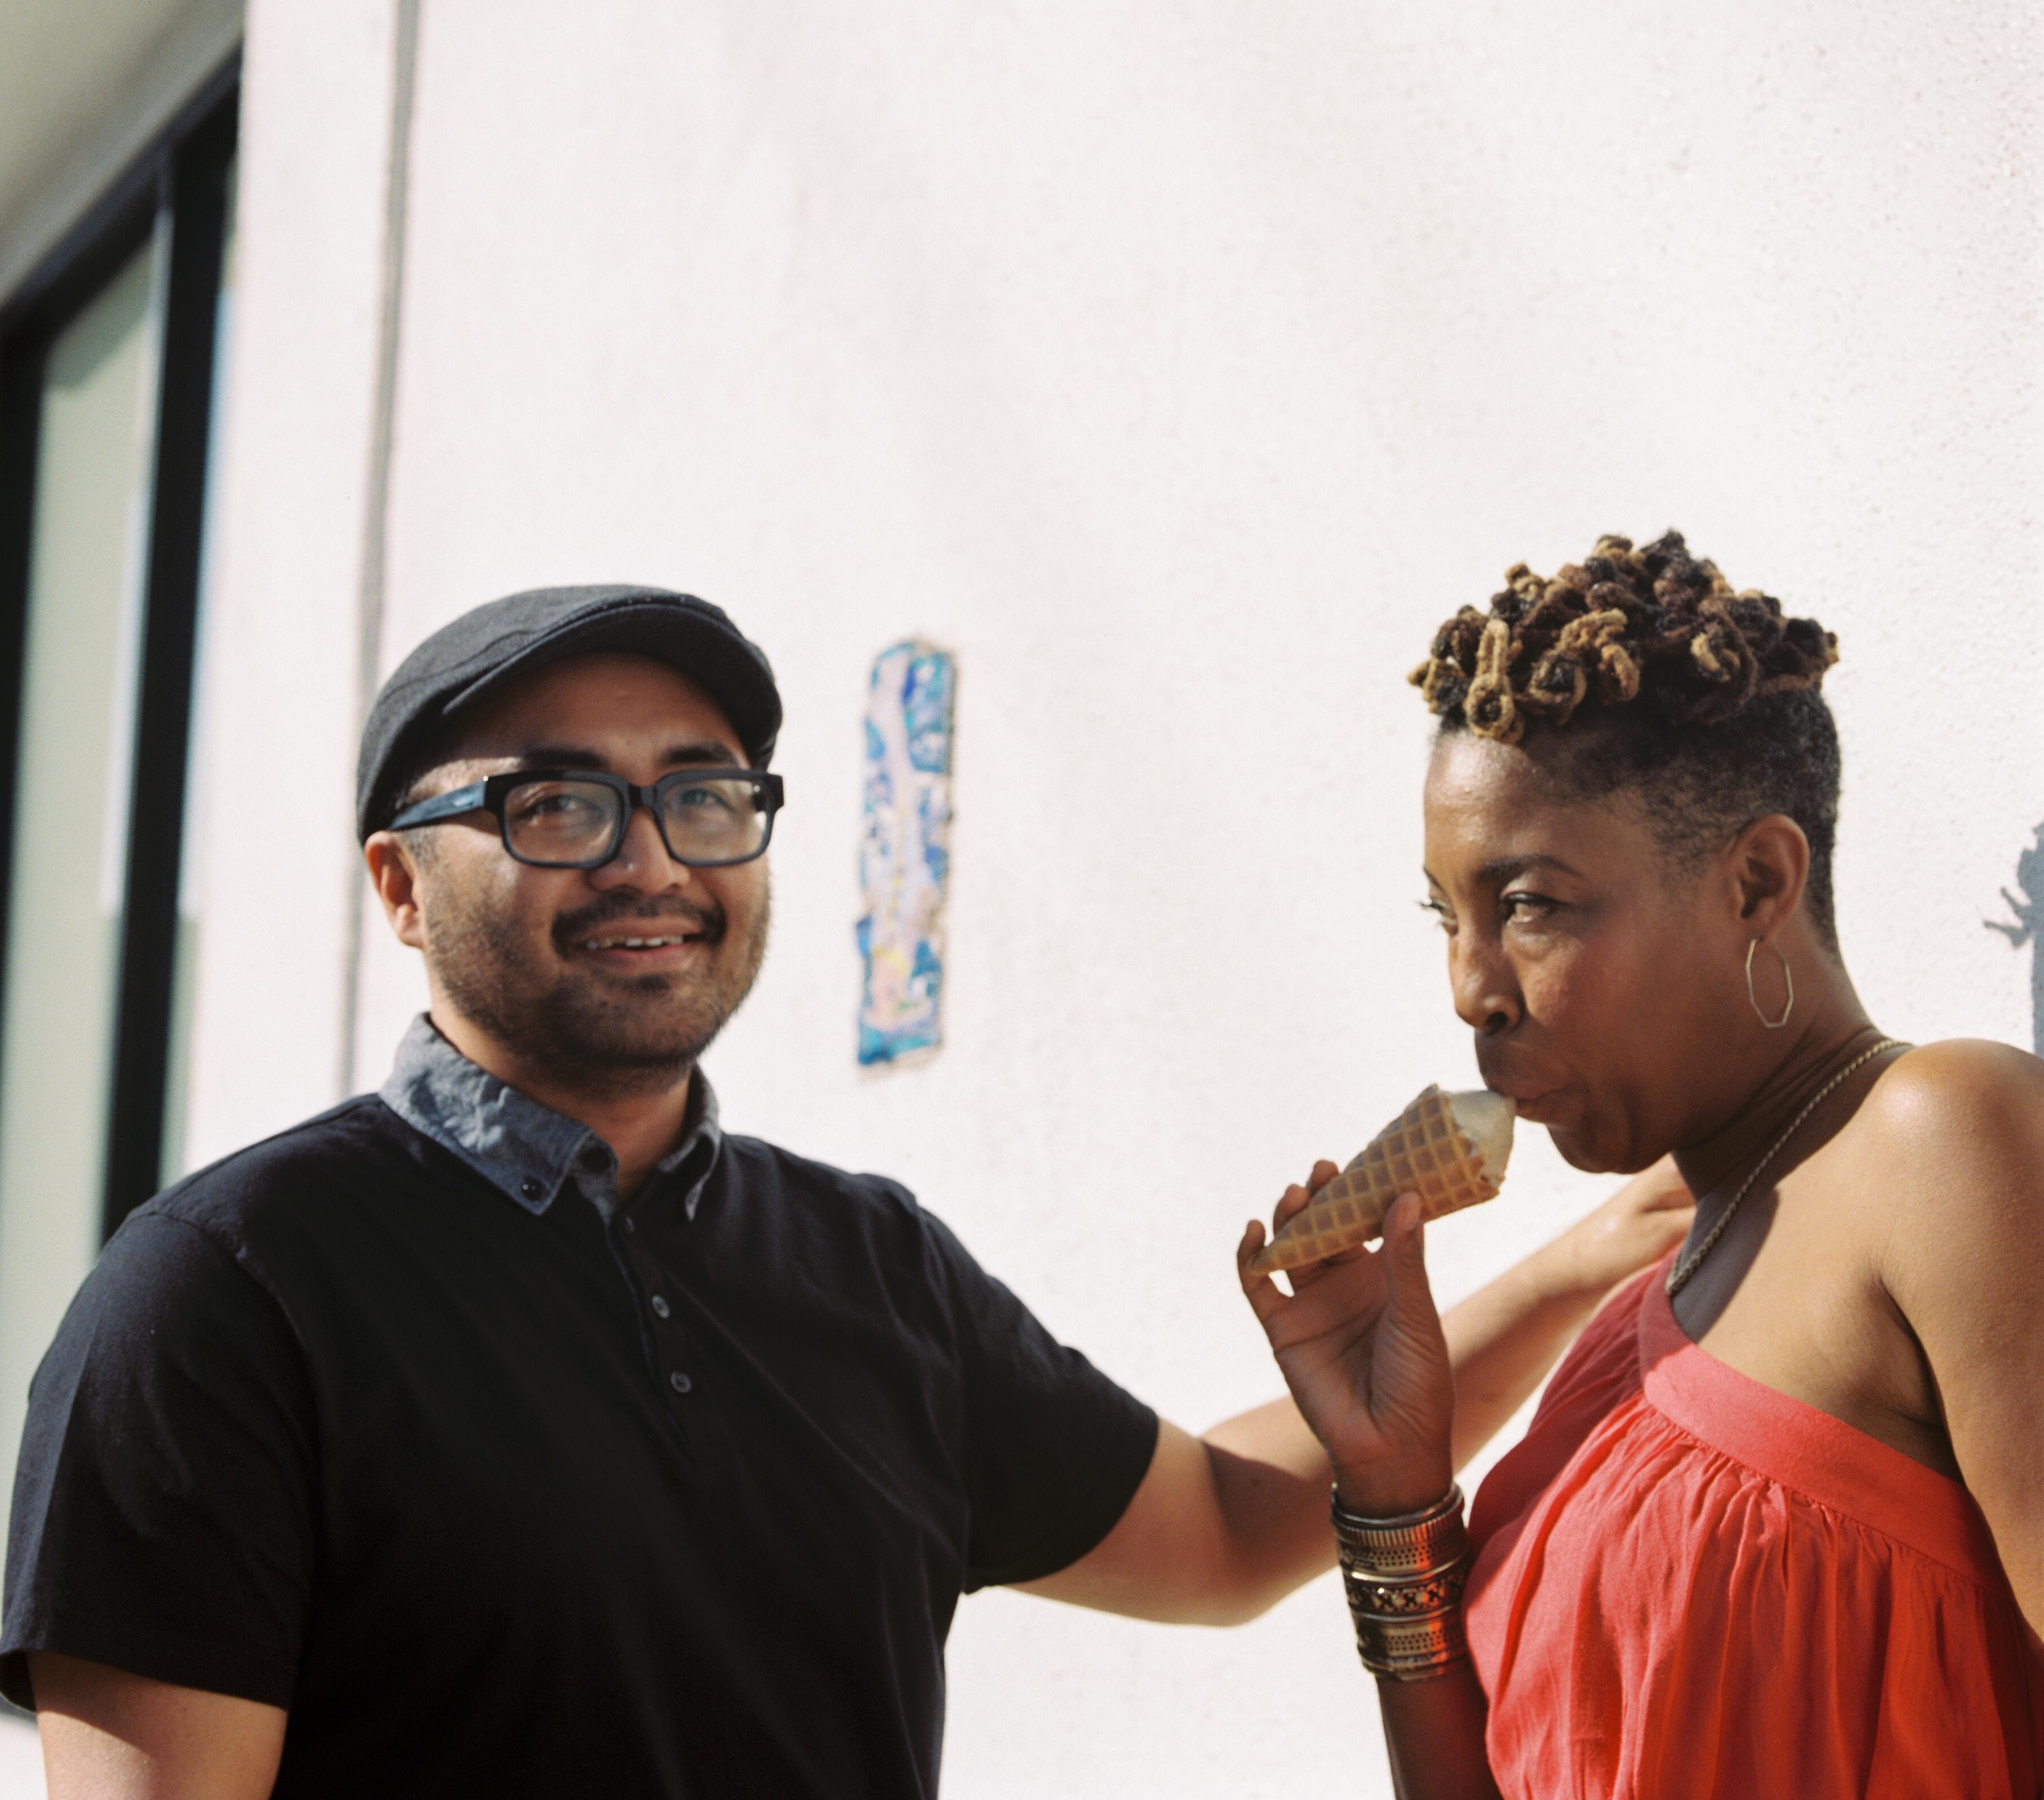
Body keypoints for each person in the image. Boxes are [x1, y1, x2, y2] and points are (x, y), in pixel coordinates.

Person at [2, 584, 1684, 1800]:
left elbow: (1219, 1534)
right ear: (398, 881)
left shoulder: (867, 1264)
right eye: (559, 801)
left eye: (705, 794)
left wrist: (1592, 1254)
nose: (652, 857)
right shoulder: (225, 1295)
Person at [1242, 532, 2044, 1800]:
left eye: (1529, 904)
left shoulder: (1939, 1135)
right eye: (1446, 916)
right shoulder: (1645, 1311)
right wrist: (1393, 1493)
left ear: (1755, 881)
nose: (1470, 989)